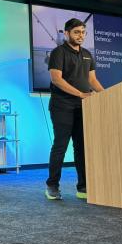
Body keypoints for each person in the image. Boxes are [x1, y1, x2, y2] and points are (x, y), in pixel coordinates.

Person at [45, 17, 104, 201]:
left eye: (83, 32)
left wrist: (108, 95)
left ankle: (83, 187)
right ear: (67, 33)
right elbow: (56, 79)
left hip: (83, 107)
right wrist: (80, 94)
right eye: (77, 32)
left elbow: (92, 80)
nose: (81, 36)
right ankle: (52, 186)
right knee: (60, 146)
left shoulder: (87, 54)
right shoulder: (58, 52)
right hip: (62, 106)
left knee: (82, 147)